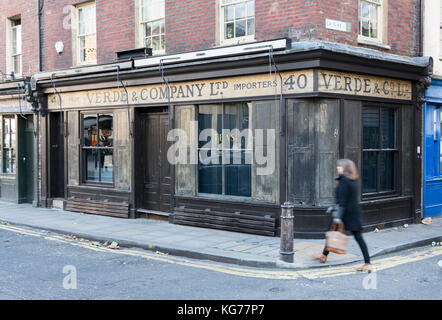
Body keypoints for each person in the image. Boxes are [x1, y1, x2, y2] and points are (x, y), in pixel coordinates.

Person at [313, 159, 373, 273]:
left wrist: (338, 217)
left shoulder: (345, 181)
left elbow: (343, 201)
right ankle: (324, 255)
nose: (337, 168)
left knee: (357, 237)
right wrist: (334, 206)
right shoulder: (353, 180)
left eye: (340, 166)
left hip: (346, 214)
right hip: (351, 213)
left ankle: (368, 263)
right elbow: (344, 198)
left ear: (345, 169)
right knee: (331, 233)